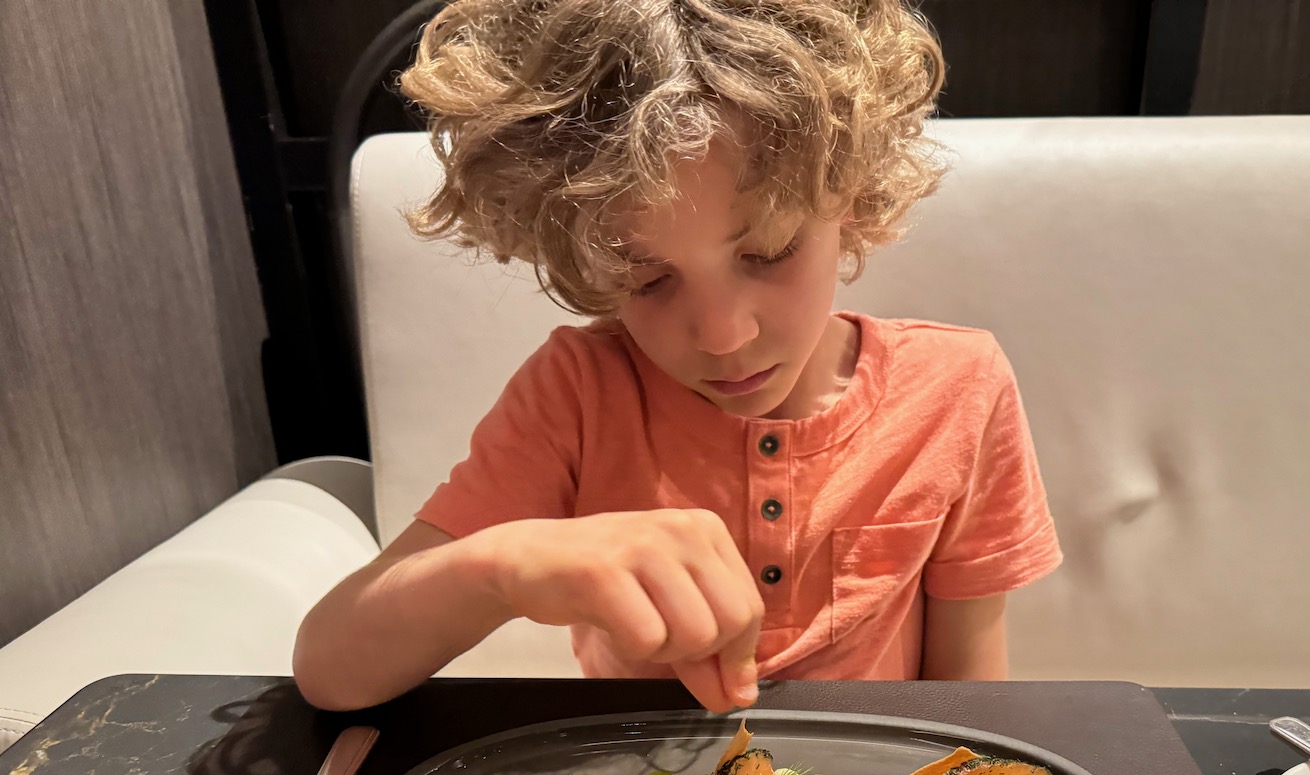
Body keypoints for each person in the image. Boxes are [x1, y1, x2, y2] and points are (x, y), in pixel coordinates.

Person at [293, 0, 1061, 715]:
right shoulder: (580, 395)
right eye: (647, 278)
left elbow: (970, 706)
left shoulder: (958, 390)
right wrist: (509, 563)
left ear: (850, 195)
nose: (723, 335)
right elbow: (330, 667)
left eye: (768, 249)